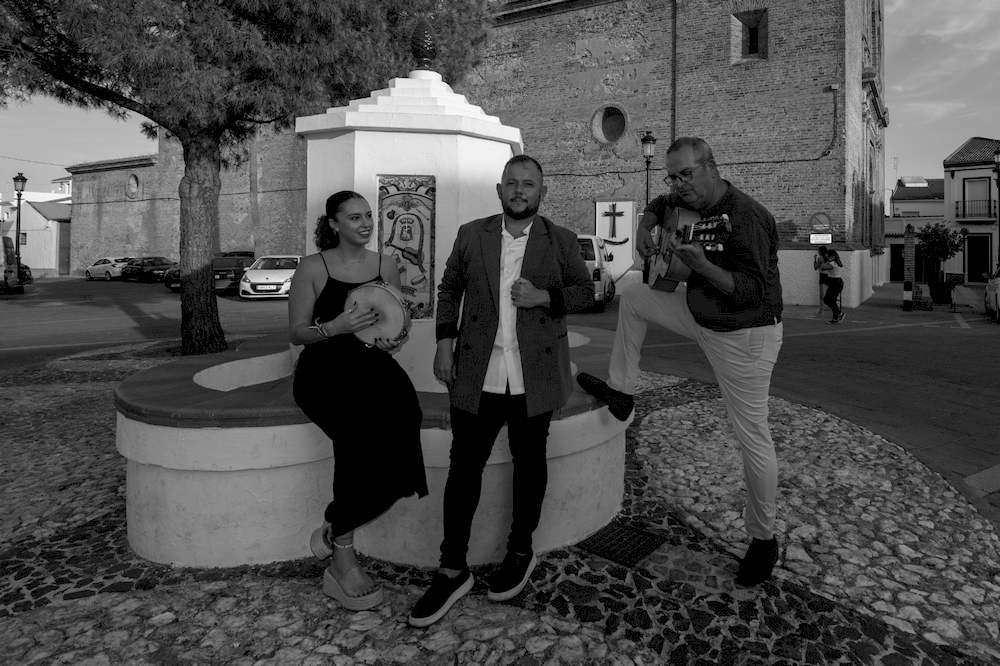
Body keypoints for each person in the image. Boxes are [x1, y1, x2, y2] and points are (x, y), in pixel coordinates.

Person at [576, 137, 784, 587]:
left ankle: (763, 539)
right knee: (634, 296)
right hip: (702, 314)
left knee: (752, 437)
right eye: (672, 176)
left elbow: (751, 292)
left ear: (711, 166)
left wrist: (702, 266)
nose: (677, 185)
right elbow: (660, 204)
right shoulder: (687, 201)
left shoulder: (748, 217)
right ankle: (622, 391)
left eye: (685, 174)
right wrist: (646, 226)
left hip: (744, 336)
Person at [407, 155, 593, 627]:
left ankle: (520, 551)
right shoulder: (473, 234)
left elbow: (585, 293)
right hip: (478, 372)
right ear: (499, 189)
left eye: (528, 184)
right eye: (512, 182)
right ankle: (452, 569)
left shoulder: (561, 240)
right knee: (463, 468)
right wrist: (444, 341)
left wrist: (544, 297)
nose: (519, 190)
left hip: (535, 374)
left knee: (530, 465)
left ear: (542, 192)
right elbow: (449, 289)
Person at [288, 190, 428, 611]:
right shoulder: (313, 267)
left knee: (408, 417)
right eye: (354, 217)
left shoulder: (386, 265)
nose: (365, 223)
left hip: (371, 365)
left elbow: (394, 325)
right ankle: (342, 558)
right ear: (333, 224)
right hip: (323, 371)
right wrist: (336, 326)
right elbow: (297, 332)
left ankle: (335, 524)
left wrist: (392, 340)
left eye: (368, 215)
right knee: (355, 439)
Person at [821, 249, 846, 323]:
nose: (826, 257)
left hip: (835, 283)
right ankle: (836, 318)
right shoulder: (836, 262)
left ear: (832, 256)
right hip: (835, 282)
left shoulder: (832, 263)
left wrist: (826, 261)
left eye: (828, 255)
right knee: (831, 300)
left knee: (827, 300)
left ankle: (839, 314)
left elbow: (823, 267)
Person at [813, 246, 831, 317]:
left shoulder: (820, 258)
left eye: (818, 250)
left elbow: (815, 267)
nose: (818, 252)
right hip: (829, 275)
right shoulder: (829, 257)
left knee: (822, 294)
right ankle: (829, 306)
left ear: (820, 251)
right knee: (828, 293)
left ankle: (821, 310)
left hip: (822, 276)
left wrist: (814, 259)